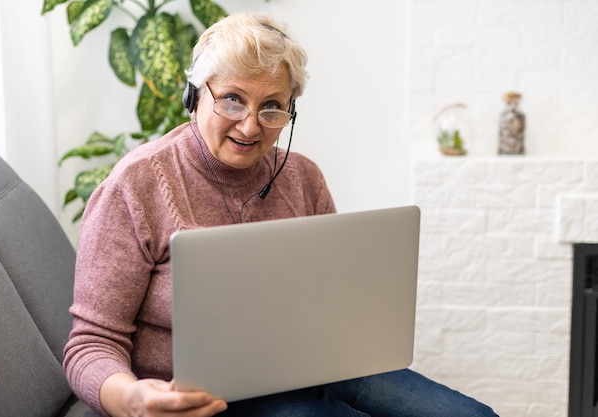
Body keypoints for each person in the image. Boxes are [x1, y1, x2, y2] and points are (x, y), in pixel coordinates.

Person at [63, 11, 498, 417]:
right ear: (193, 96)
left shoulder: (304, 178)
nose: (251, 126)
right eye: (232, 99)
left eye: (272, 106)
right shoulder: (134, 187)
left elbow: (335, 302)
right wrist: (131, 397)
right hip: (205, 395)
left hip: (317, 364)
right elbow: (89, 345)